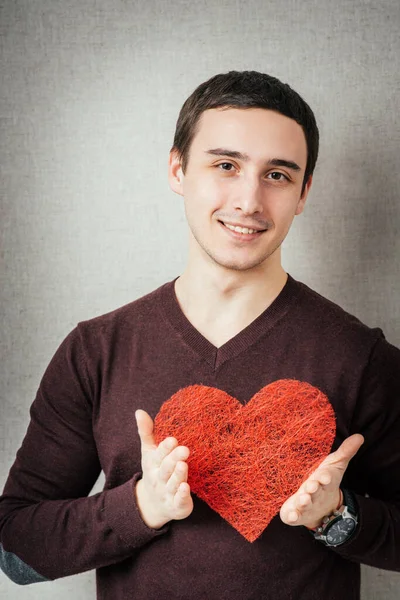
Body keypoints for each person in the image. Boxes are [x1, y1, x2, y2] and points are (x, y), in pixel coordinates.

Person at [0, 71, 399, 600]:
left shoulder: (361, 357)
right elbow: (17, 551)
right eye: (226, 165)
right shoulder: (95, 351)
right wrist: (142, 507)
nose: (249, 200)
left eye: (277, 175)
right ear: (178, 169)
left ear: (303, 193)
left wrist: (339, 517)